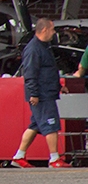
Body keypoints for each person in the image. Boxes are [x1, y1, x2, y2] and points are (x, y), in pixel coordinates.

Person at [10, 17, 70, 168]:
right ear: (44, 30)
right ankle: (54, 159)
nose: (54, 32)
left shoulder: (45, 47)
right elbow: (30, 73)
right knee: (51, 124)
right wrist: (33, 94)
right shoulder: (33, 49)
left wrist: (58, 86)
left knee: (35, 125)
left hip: (47, 91)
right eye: (52, 29)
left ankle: (19, 156)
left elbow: (48, 70)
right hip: (42, 95)